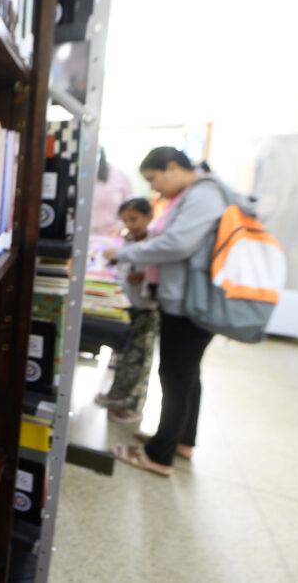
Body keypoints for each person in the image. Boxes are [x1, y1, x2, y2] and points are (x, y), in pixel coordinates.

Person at [104, 147, 227, 477]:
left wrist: (125, 253)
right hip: (185, 300)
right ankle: (179, 441)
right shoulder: (193, 195)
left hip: (188, 304)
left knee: (174, 376)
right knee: (186, 376)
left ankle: (159, 456)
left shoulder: (204, 194)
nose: (154, 188)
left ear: (173, 167)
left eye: (155, 179)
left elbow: (177, 244)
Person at [94, 198, 159, 424]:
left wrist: (143, 277)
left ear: (149, 216)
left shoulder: (156, 242)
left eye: (135, 219)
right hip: (127, 305)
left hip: (146, 307)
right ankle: (117, 395)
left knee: (140, 358)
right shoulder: (128, 240)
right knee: (124, 352)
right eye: (126, 220)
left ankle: (133, 406)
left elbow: (153, 269)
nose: (130, 224)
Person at [91, 148, 133, 235]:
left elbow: (133, 208)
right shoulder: (79, 176)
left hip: (111, 236)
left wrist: (121, 225)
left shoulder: (121, 176)